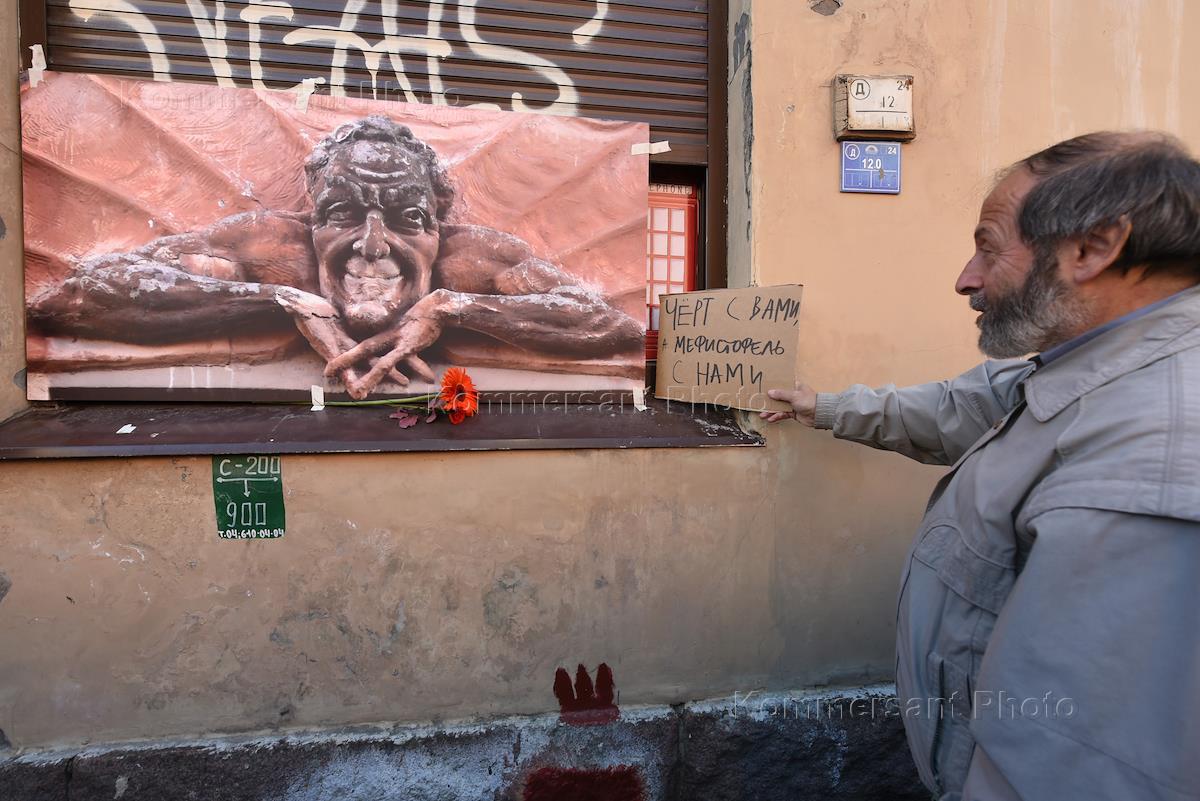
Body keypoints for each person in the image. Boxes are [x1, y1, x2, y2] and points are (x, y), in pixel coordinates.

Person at [764, 132, 1200, 800]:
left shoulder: (1155, 451)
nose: (967, 279)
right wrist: (822, 406)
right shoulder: (1088, 370)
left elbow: (1076, 764)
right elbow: (959, 407)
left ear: (1093, 249)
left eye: (989, 248)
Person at [28, 115, 642, 399]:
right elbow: (70, 297)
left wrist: (453, 307)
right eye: (343, 213)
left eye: (408, 219)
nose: (373, 244)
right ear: (313, 217)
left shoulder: (472, 258)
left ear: (439, 223)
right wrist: (279, 300)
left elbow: (607, 324)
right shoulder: (273, 247)